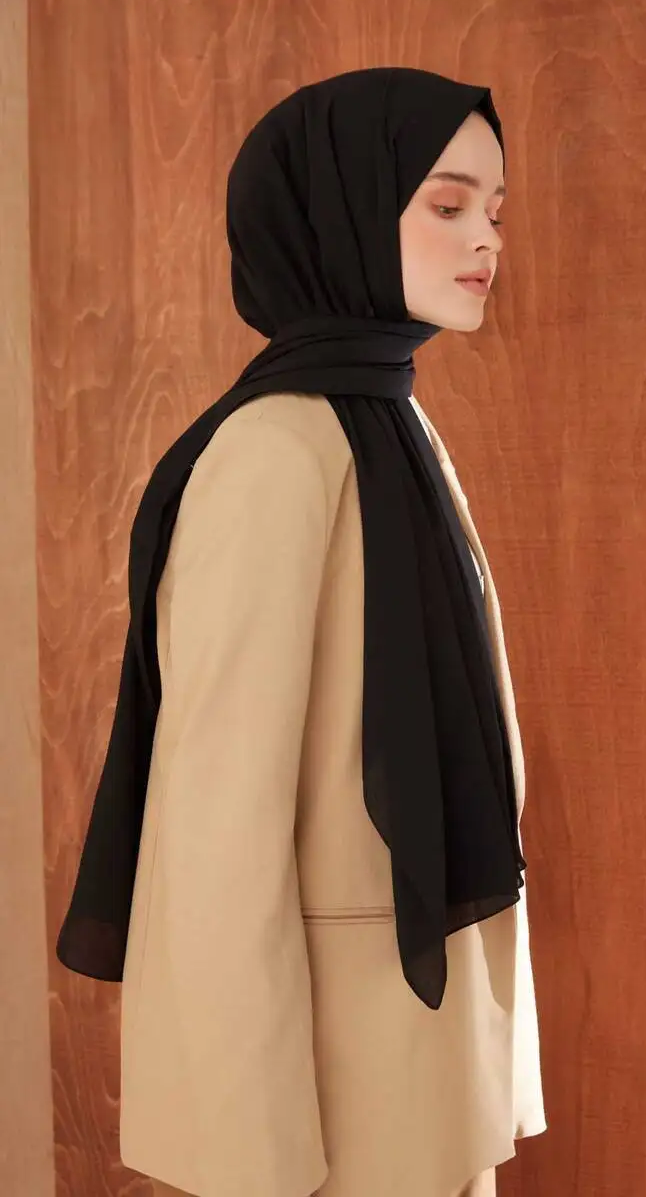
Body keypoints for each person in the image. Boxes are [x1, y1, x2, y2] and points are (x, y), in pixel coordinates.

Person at [56, 67, 546, 1197]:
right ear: (339, 211)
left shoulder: (396, 429)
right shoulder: (277, 453)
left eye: (494, 209)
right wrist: (254, 1150)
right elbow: (218, 824)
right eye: (447, 203)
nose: (485, 237)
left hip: (424, 1050)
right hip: (333, 1074)